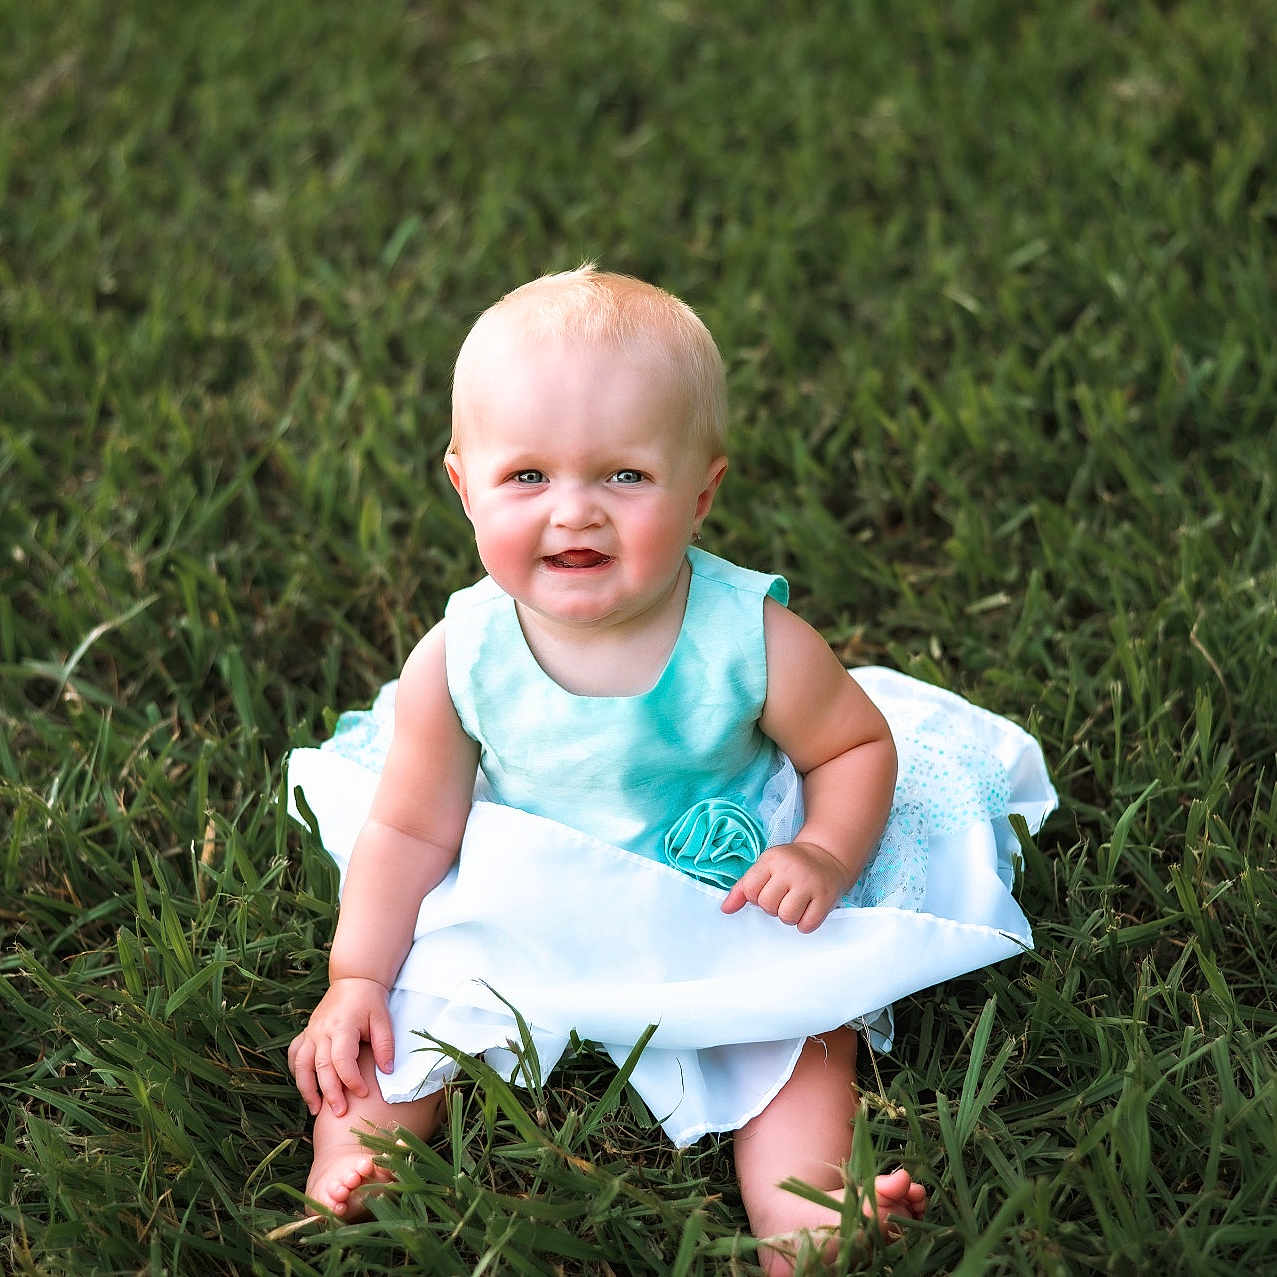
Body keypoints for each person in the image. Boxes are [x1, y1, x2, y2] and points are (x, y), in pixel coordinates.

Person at [286, 266, 1053, 1273]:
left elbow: (855, 746)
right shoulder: (459, 656)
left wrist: (823, 852)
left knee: (795, 1022)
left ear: (701, 492)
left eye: (623, 476)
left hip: (718, 886)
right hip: (531, 879)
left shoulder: (749, 637)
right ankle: (357, 1156)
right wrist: (355, 974)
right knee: (411, 998)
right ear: (463, 485)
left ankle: (807, 1212)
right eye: (528, 476)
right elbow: (409, 828)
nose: (574, 513)